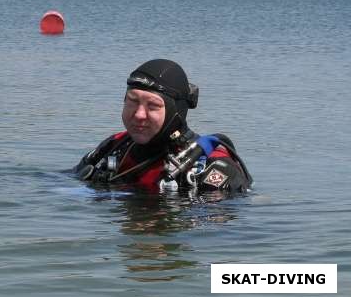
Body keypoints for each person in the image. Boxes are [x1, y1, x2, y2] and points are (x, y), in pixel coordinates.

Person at [73, 59, 252, 195]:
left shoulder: (211, 166)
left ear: (177, 112)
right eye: (132, 102)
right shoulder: (115, 146)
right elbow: (66, 180)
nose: (138, 114)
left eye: (153, 106)